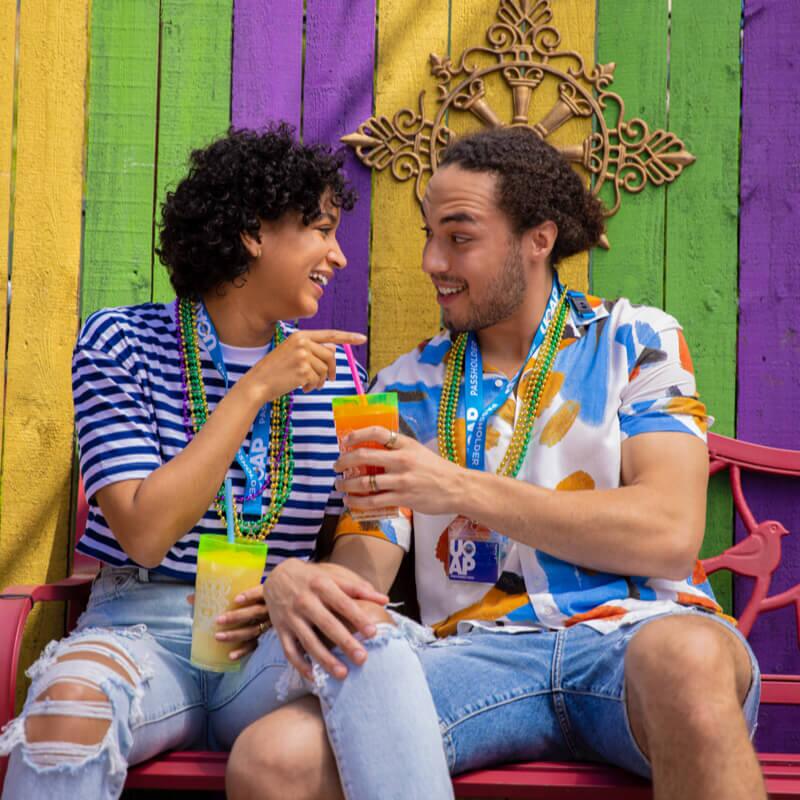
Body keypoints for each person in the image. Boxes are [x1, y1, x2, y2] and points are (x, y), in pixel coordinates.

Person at [228, 127, 765, 800]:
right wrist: (302, 583)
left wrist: (455, 485)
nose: (431, 260)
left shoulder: (637, 339)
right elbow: (364, 576)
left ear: (537, 239)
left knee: (690, 658)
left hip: (635, 639)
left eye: (459, 237)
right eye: (429, 234)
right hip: (472, 657)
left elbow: (668, 534)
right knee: (274, 757)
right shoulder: (402, 387)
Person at [0, 124, 397, 799]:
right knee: (71, 709)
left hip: (275, 635)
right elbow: (145, 532)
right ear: (253, 233)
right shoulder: (121, 342)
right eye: (320, 229)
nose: (338, 256)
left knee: (379, 657)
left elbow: (372, 531)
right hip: (145, 631)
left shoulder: (342, 376)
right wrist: (256, 389)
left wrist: (361, 539)